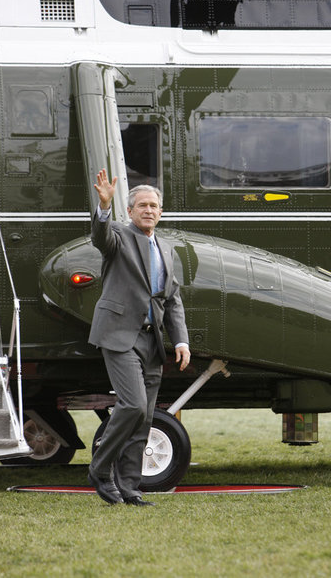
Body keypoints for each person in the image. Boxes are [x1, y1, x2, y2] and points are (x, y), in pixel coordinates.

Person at [88, 169, 190, 506]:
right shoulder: (118, 235)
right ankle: (101, 471)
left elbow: (172, 299)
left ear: (161, 212)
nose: (149, 210)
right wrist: (103, 206)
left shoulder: (166, 248)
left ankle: (129, 487)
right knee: (131, 405)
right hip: (118, 335)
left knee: (144, 417)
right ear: (130, 211)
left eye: (154, 206)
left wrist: (181, 341)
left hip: (152, 342)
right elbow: (100, 237)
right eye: (142, 205)